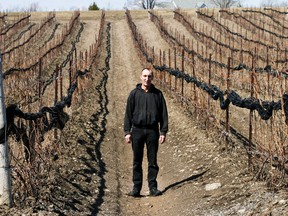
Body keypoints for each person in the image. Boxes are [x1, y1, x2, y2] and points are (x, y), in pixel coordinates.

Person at [124, 68, 168, 197]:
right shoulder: (134, 94)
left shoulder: (158, 94)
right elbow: (128, 114)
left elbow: (164, 114)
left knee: (152, 161)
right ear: (140, 77)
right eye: (144, 76)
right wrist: (127, 132)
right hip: (137, 130)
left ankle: (153, 187)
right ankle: (136, 188)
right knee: (137, 160)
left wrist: (163, 132)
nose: (146, 79)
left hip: (152, 131)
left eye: (149, 76)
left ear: (152, 78)